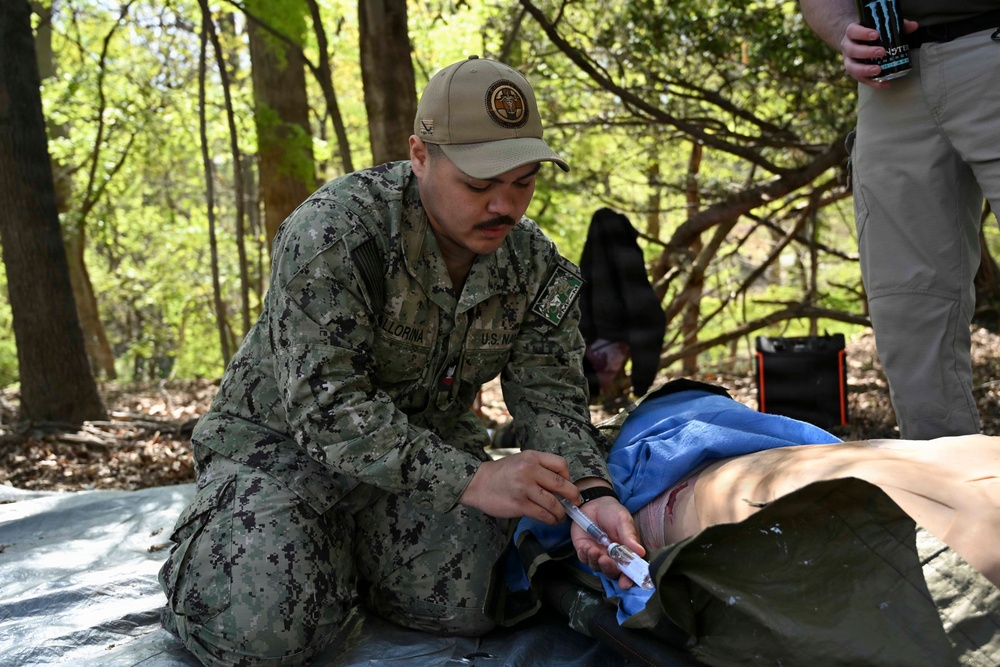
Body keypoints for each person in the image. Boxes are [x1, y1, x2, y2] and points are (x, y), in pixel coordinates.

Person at [159, 55, 643, 667]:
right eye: (479, 185)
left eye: (523, 182)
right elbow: (326, 409)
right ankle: (223, 555)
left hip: (423, 456)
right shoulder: (335, 235)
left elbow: (551, 397)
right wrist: (473, 480)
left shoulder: (533, 265)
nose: (504, 205)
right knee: (260, 630)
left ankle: (336, 559)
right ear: (420, 155)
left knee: (479, 598)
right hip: (281, 453)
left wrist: (591, 495)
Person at [798, 1, 1000, 439]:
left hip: (991, 42)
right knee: (910, 317)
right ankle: (945, 480)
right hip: (891, 75)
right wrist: (845, 31)